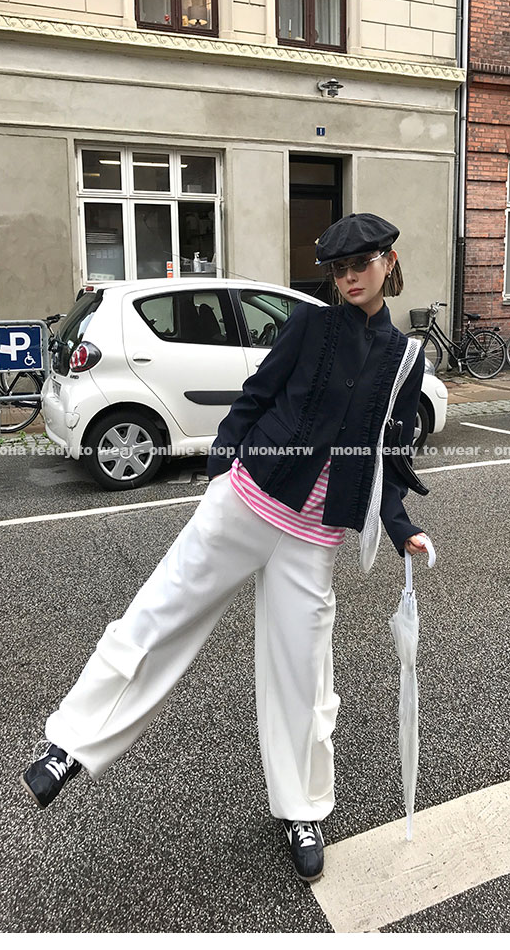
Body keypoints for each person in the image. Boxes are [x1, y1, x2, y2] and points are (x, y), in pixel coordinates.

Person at [21, 212, 431, 884]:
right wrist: (219, 476)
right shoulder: (309, 326)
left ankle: (301, 810)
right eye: (338, 268)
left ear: (389, 260)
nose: (350, 277)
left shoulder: (405, 358)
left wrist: (399, 524)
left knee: (303, 675)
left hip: (313, 537)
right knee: (159, 614)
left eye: (362, 264)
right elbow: (253, 399)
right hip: (244, 504)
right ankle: (70, 743)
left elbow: (387, 454)